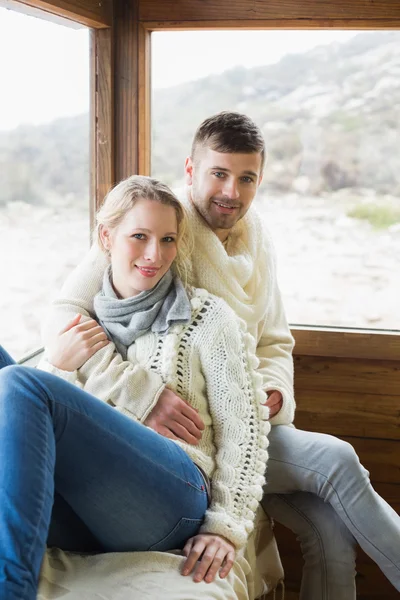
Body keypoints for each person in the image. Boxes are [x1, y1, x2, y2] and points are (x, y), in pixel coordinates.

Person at [42, 112, 400, 599]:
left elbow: (274, 338)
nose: (231, 191)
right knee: (338, 459)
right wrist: (141, 393)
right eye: (218, 174)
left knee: (326, 526)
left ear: (259, 180)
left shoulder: (259, 239)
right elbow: (67, 313)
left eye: (246, 178)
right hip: (199, 427)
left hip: (256, 413)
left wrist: (275, 389)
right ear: (191, 170)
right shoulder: (159, 222)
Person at [0, 176, 272, 600]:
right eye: (139, 237)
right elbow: (40, 429)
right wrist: (58, 363)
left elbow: (245, 430)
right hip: (84, 512)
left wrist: (226, 528)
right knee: (11, 373)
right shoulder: (79, 323)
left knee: (17, 381)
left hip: (171, 500)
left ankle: (10, 590)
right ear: (106, 238)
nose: (154, 255)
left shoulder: (208, 318)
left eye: (167, 240)